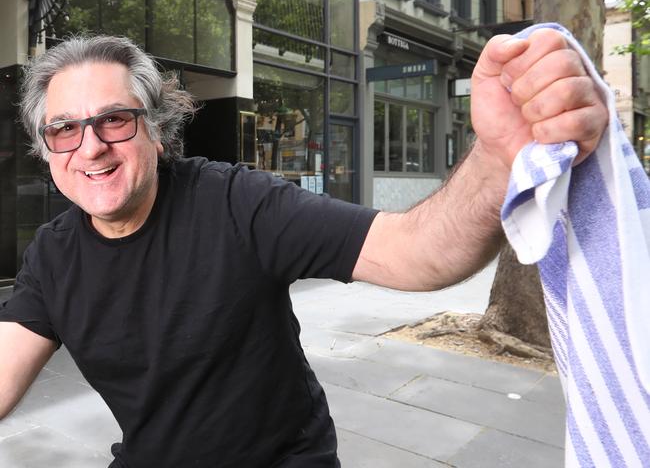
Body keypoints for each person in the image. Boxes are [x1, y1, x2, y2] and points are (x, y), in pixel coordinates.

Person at [0, 29, 606, 467]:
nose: (91, 146)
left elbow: (419, 252)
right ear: (47, 149)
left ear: (155, 132)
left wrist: (499, 158)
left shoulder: (238, 204)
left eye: (114, 120)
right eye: (64, 129)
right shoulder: (54, 256)